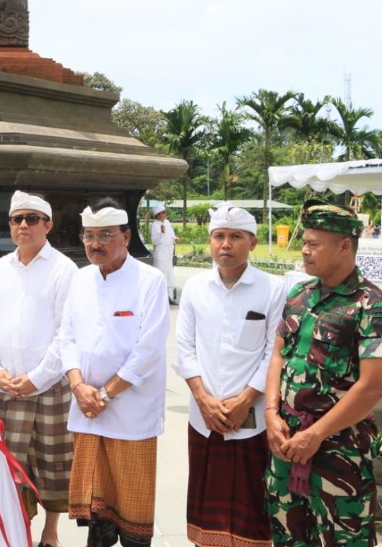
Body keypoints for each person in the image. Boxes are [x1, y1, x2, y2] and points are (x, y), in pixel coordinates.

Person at [264, 199, 382, 545]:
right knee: (287, 534)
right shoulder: (300, 295)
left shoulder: (370, 305)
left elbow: (372, 387)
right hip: (286, 444)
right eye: (305, 242)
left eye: (314, 243)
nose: (304, 250)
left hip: (338, 452)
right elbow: (277, 356)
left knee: (342, 538)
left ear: (345, 246)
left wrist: (314, 435)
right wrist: (271, 413)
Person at [174, 203, 285, 547]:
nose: (225, 244)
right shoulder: (194, 287)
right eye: (218, 236)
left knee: (251, 505)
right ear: (210, 242)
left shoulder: (273, 288)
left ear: (252, 243)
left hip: (251, 419)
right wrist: (204, 400)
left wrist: (245, 400)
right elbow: (184, 348)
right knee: (206, 504)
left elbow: (273, 352)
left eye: (236, 236)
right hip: (203, 417)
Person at [61, 199, 170, 547]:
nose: (95, 243)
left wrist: (104, 394)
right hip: (87, 410)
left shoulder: (150, 280)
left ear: (126, 236)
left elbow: (149, 350)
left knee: (133, 510)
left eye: (105, 235)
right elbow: (66, 338)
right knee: (96, 510)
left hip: (130, 413)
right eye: (89, 235)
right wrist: (78, 387)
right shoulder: (80, 279)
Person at [0, 190, 78, 547]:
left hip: (50, 387)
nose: (23, 225)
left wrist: (37, 377)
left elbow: (66, 334)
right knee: (10, 466)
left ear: (48, 225)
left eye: (31, 219)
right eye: (16, 219)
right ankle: (16, 530)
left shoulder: (65, 270)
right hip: (9, 388)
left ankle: (51, 533)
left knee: (52, 464)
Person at [150, 203, 178, 302]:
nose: (165, 214)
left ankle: (170, 297)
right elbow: (155, 241)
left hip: (169, 253)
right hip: (161, 254)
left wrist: (175, 238)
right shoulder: (154, 225)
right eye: (163, 212)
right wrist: (161, 233)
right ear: (157, 215)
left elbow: (171, 234)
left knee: (169, 275)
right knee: (161, 275)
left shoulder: (167, 222)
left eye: (165, 212)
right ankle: (160, 297)